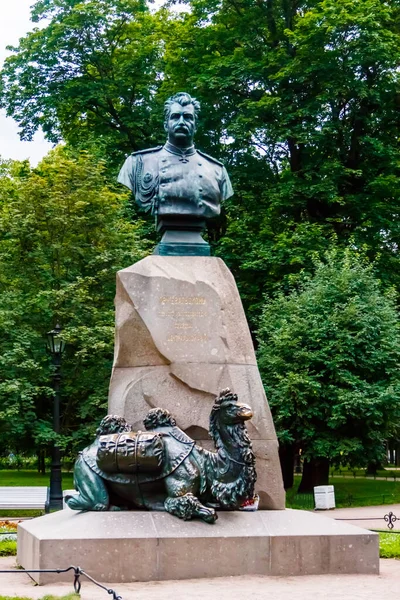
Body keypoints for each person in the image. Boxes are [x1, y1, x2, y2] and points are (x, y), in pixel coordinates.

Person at [118, 92, 233, 222]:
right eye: (175, 117)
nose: (182, 122)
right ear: (166, 124)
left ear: (196, 126)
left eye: (188, 117)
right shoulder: (137, 163)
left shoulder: (216, 169)